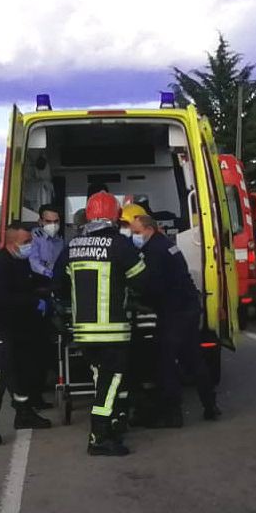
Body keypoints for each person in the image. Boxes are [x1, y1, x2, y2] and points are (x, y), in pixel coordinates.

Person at [53, 188, 149, 457]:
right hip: (113, 331)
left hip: (83, 334)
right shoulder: (120, 245)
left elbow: (56, 284)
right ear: (115, 216)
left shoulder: (72, 246)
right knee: (112, 382)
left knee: (103, 382)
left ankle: (114, 423)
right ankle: (99, 436)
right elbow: (142, 281)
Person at [128, 214, 220, 425]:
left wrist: (139, 300)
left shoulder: (154, 251)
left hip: (174, 311)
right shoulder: (167, 245)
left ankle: (172, 414)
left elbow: (154, 285)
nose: (134, 236)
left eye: (136, 232)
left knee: (166, 361)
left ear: (149, 229)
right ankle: (210, 405)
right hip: (187, 308)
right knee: (193, 358)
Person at [0, 226, 53, 445]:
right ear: (11, 243)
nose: (31, 244)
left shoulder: (19, 262)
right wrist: (33, 301)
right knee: (1, 370)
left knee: (22, 367)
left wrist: (48, 287)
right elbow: (3, 298)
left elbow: (28, 284)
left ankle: (24, 412)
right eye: (26, 241)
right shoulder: (0, 265)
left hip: (14, 325)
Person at [27, 204, 65, 410]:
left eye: (56, 222)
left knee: (53, 340)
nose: (53, 225)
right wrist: (48, 272)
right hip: (38, 288)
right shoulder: (35, 238)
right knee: (37, 344)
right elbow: (33, 262)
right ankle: (35, 392)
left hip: (53, 289)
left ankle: (50, 378)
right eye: (48, 222)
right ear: (41, 222)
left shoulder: (59, 241)